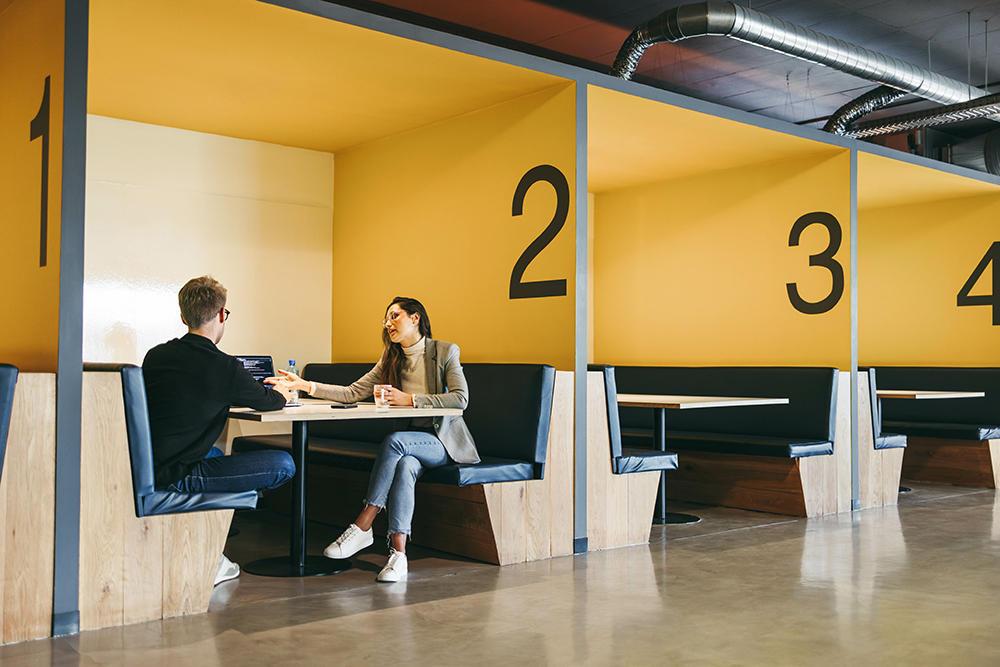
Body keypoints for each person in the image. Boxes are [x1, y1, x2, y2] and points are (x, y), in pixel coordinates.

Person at [270, 296, 477, 583]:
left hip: (441, 442)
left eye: (394, 316)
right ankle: (398, 555)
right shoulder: (391, 358)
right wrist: (306, 385)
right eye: (386, 318)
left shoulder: (444, 352)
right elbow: (352, 392)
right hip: (410, 445)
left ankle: (364, 522)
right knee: (404, 466)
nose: (388, 323)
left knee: (395, 441)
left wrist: (411, 400)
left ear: (415, 317)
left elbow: (460, 398)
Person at [142, 275, 296, 585]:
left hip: (148, 465)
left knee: (213, 451)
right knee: (284, 463)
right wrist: (287, 392)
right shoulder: (224, 367)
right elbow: (269, 401)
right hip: (177, 474)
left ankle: (201, 540)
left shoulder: (155, 356)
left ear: (184, 316)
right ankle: (208, 554)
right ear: (222, 314)